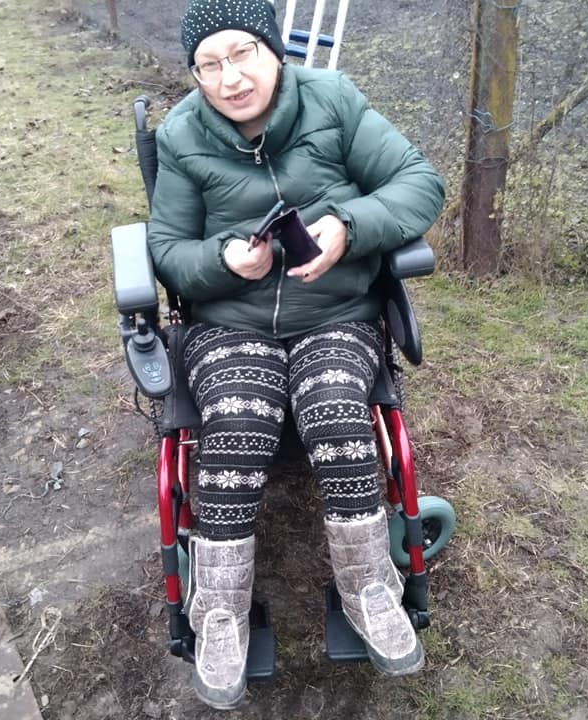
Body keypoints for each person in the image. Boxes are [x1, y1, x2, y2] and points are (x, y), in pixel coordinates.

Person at [147, 0, 445, 709]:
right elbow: (167, 250)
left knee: (337, 409)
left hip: (336, 312)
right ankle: (219, 610)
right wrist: (223, 260)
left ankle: (369, 586)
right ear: (195, 74)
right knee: (237, 421)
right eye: (209, 65)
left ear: (273, 50)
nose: (230, 78)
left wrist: (348, 225)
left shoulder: (332, 101)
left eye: (242, 54)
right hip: (229, 323)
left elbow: (419, 183)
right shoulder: (181, 134)